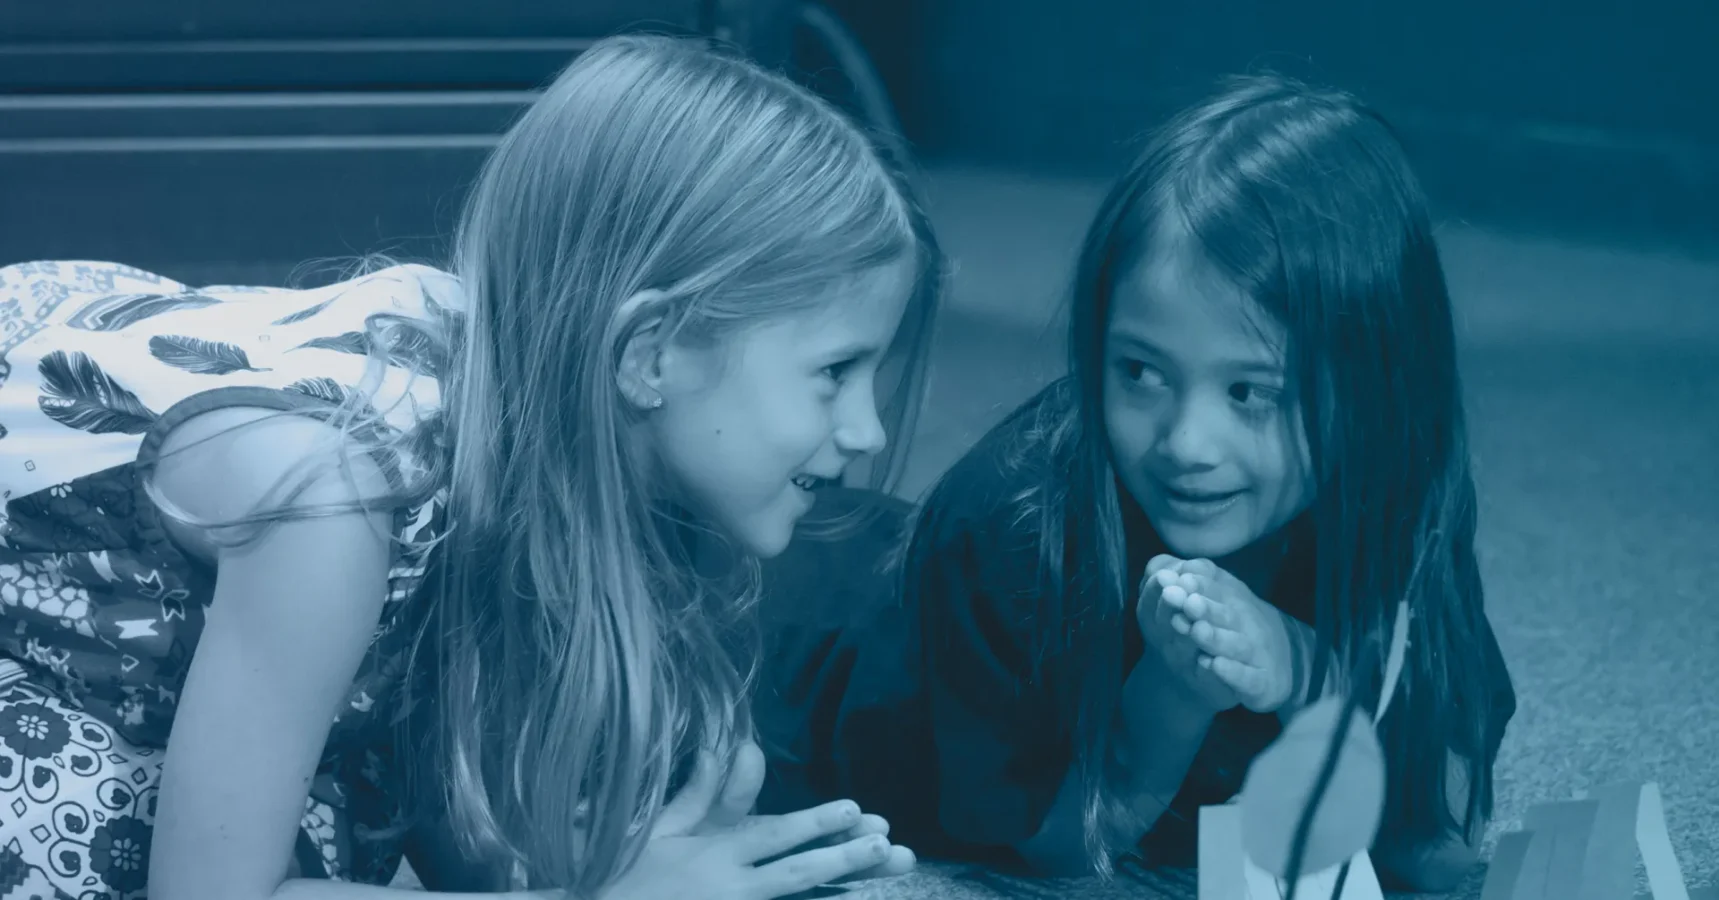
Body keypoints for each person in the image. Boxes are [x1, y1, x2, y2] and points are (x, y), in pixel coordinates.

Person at [0, 34, 940, 900]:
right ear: (650, 353)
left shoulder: (529, 416)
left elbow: (457, 820)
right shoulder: (336, 498)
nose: (864, 429)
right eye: (834, 372)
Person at [752, 73, 1517, 893]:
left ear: (1378, 392)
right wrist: (1174, 692)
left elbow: (1447, 826)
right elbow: (1058, 856)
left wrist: (1303, 667)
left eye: (1249, 391)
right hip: (788, 657)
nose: (1186, 443)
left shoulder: (1394, 479)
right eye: (1140, 372)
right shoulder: (1011, 517)